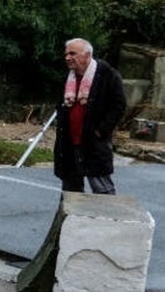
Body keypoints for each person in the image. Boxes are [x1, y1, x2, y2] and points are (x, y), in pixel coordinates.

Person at [53, 37, 127, 195]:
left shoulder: (107, 74)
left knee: (102, 190)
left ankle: (107, 219)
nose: (67, 57)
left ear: (87, 55)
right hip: (69, 141)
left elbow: (118, 105)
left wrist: (101, 130)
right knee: (70, 192)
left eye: (72, 53)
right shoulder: (68, 77)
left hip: (93, 141)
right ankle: (72, 219)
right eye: (66, 54)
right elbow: (60, 105)